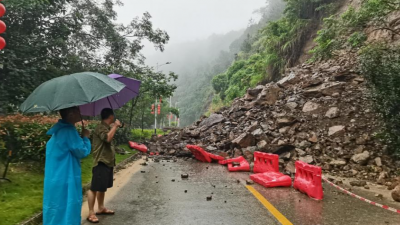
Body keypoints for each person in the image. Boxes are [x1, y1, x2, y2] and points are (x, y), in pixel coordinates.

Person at [43, 106, 91, 225]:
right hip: (65, 178)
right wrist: (86, 137)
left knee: (55, 208)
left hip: (54, 177)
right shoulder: (69, 131)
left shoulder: (58, 130)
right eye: (77, 111)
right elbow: (82, 151)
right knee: (68, 207)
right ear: (70, 114)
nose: (80, 113)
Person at [86, 108, 121, 223]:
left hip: (107, 162)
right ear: (110, 117)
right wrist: (115, 126)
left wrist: (112, 128)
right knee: (94, 188)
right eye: (113, 117)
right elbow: (107, 138)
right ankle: (91, 213)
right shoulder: (100, 127)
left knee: (102, 187)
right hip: (101, 161)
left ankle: (101, 208)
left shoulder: (106, 128)